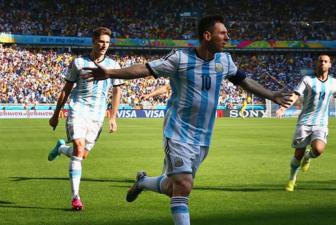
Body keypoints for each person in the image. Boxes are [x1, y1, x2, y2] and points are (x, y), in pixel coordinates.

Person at [84, 16, 292, 225]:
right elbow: (146, 68)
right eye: (223, 33)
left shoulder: (225, 61)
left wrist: (271, 95)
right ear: (207, 36)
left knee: (173, 188)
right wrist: (110, 72)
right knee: (184, 185)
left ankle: (143, 182)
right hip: (177, 132)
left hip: (203, 137)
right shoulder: (180, 59)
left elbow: (244, 80)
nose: (227, 38)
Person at [47, 27, 124, 210]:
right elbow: (66, 89)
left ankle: (61, 148)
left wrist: (113, 117)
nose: (104, 45)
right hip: (78, 110)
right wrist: (56, 113)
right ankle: (76, 198)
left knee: (81, 154)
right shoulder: (79, 62)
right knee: (79, 148)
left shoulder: (113, 65)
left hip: (97, 116)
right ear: (93, 41)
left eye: (107, 42)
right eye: (101, 41)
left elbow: (117, 91)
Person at [276, 54, 336, 192]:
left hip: (321, 123)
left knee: (319, 150)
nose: (323, 63)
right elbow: (296, 94)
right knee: (298, 154)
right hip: (304, 122)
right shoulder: (307, 80)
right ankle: (292, 180)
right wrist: (283, 108)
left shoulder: (334, 82)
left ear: (330, 65)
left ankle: (309, 157)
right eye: (320, 61)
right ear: (316, 63)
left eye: (326, 61)